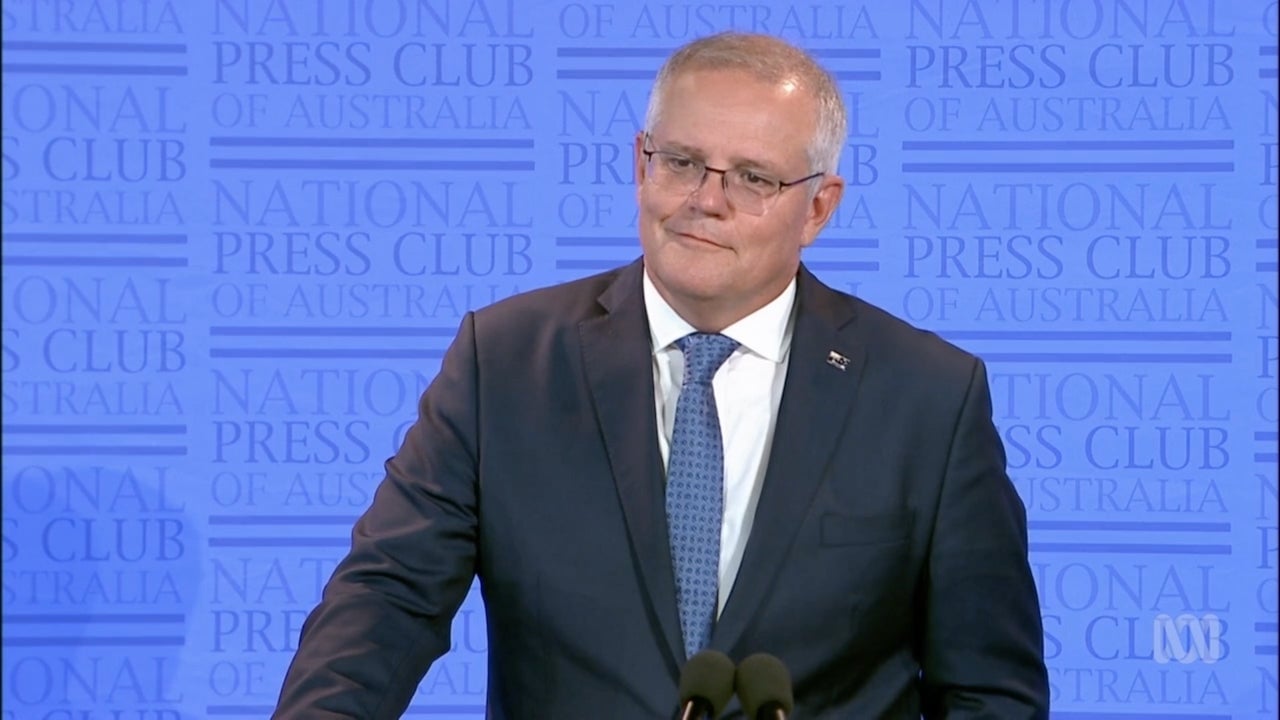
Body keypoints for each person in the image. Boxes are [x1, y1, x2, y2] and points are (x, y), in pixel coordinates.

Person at [273, 32, 1050, 718]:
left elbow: (988, 689)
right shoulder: (506, 362)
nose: (704, 201)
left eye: (753, 178)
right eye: (681, 162)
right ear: (642, 163)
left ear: (819, 208)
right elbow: (387, 600)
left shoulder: (926, 396)